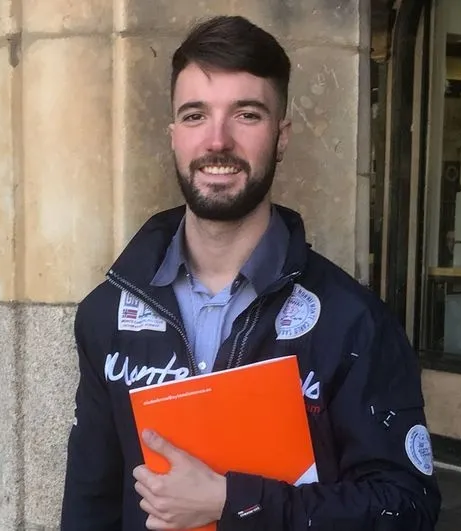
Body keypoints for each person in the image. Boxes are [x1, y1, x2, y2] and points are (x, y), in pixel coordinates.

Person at [60, 15, 441, 530]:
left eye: (246, 114)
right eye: (195, 116)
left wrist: (233, 502)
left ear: (281, 137)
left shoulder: (353, 323)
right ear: (174, 135)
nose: (217, 141)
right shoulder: (107, 314)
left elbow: (406, 508)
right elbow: (91, 498)